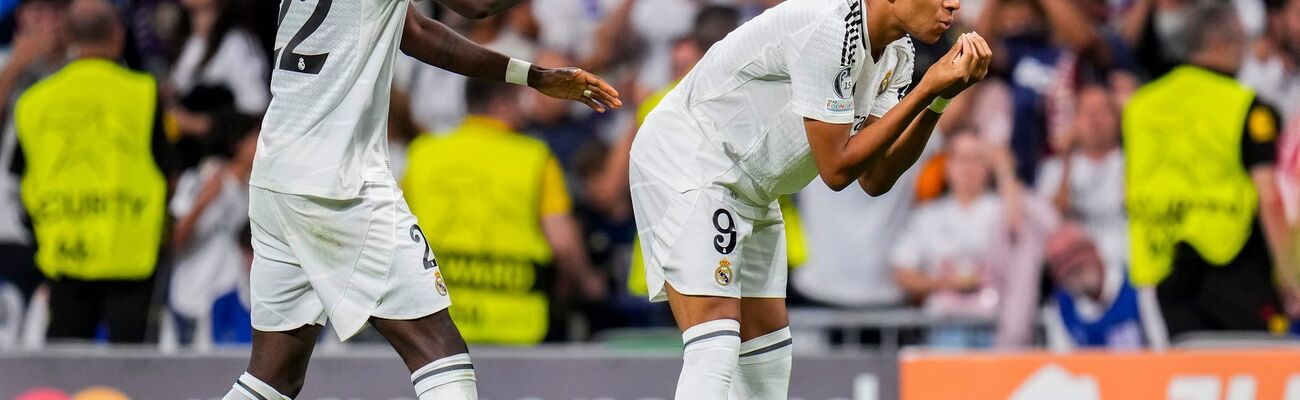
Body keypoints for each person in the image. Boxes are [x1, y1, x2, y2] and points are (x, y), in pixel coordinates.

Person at [220, 0, 621, 396]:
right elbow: (476, 6)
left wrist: (530, 76)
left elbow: (416, 32)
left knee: (273, 378)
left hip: (276, 173)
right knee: (441, 355)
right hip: (340, 185)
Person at [628, 0, 992, 396]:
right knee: (715, 347)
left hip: (753, 188)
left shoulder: (897, 52)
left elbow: (873, 176)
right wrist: (925, 88)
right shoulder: (831, 27)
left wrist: (937, 100)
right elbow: (835, 169)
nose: (954, 3)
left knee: (767, 360)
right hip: (691, 161)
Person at [1123, 4, 1300, 340]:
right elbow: (1270, 199)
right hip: (1236, 265)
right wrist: (1292, 278)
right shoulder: (1248, 107)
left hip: (1160, 271)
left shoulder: (1139, 107)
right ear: (1222, 42)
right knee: (1250, 377)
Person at [403, 78, 606, 345]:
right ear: (502, 103)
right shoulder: (534, 157)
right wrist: (591, 285)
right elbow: (564, 245)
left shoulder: (422, 153)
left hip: (440, 325)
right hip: (518, 326)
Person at [13, 0, 171, 343]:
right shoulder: (144, 93)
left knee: (67, 372)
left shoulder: (33, 101)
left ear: (68, 36)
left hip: (64, 250)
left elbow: (20, 176)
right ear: (118, 35)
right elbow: (167, 169)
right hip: (131, 253)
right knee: (134, 378)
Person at [890, 131, 1055, 348]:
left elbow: (1020, 230)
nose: (968, 167)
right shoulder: (928, 216)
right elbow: (902, 272)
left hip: (998, 328)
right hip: (945, 328)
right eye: (961, 159)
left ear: (988, 166)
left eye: (977, 159)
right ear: (947, 165)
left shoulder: (1002, 207)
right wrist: (946, 283)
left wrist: (1004, 170)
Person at [1036, 84, 1127, 264]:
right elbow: (1051, 220)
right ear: (1075, 121)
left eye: (1102, 112)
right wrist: (1066, 163)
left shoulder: (1132, 161)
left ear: (1117, 119)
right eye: (1087, 113)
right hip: (1077, 267)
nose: (1095, 120)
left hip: (1125, 260)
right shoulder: (1055, 167)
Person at [1041, 223, 1166, 351]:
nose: (1071, 265)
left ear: (1093, 248)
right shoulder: (1060, 309)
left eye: (1075, 252)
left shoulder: (1139, 286)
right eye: (1059, 262)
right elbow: (1061, 363)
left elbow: (1162, 346)